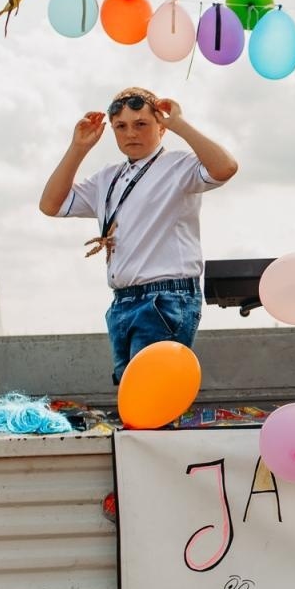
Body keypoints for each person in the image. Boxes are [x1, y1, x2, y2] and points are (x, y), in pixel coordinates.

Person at [40, 86, 239, 383]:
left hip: (166, 297)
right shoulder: (109, 176)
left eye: (141, 124)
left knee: (150, 395)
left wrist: (180, 124)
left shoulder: (177, 166)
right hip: (123, 301)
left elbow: (226, 167)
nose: (131, 133)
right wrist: (78, 148)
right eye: (121, 127)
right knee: (131, 397)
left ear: (161, 127)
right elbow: (50, 205)